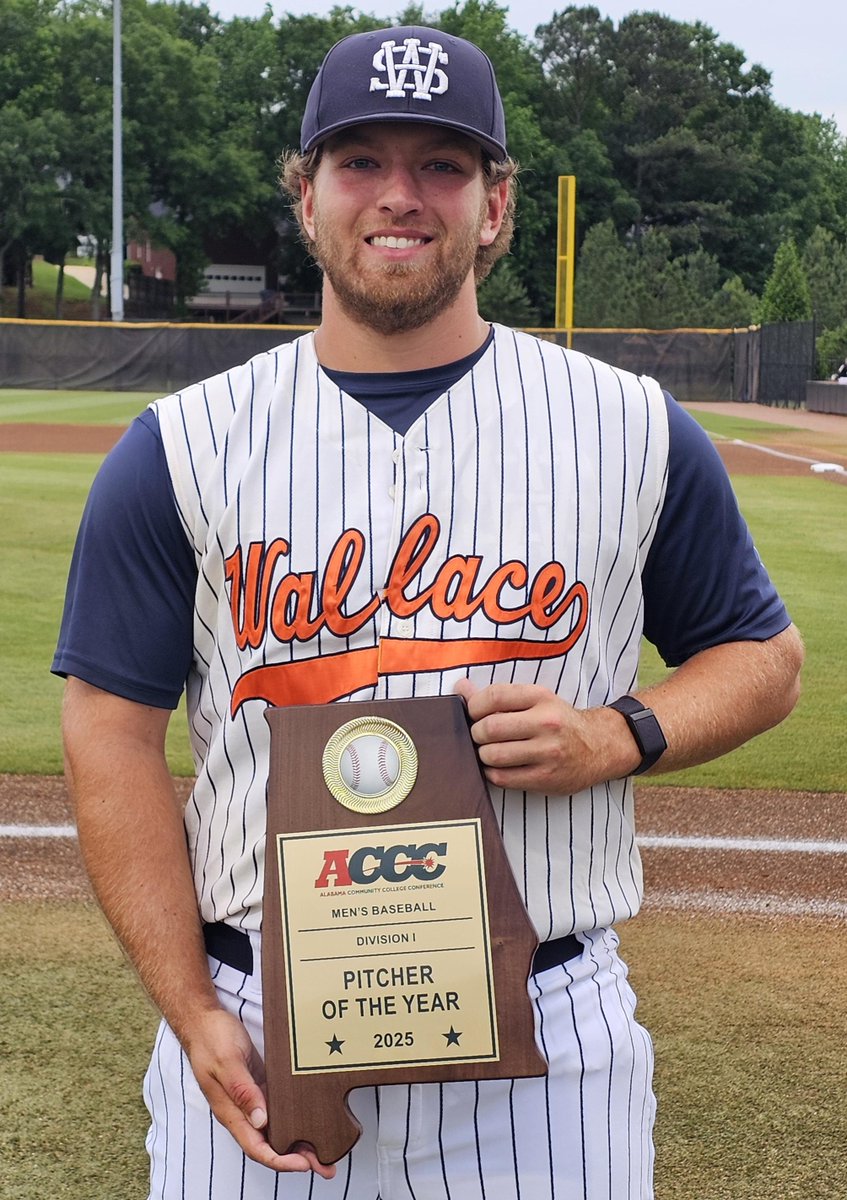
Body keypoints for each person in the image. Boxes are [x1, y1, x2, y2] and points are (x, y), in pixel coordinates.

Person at [54, 25, 803, 1200]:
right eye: (360, 161)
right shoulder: (180, 449)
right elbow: (107, 726)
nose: (399, 196)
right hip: (258, 1023)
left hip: (547, 1032)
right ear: (306, 196)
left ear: (495, 204)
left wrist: (618, 733)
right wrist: (192, 1012)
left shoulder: (631, 427)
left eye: (441, 165)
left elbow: (762, 655)